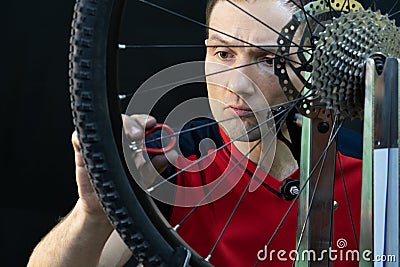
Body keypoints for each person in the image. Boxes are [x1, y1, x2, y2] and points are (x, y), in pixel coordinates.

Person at [28, 0, 363, 266]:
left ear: (317, 69)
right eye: (222, 53)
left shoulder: (371, 178)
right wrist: (94, 213)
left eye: (267, 59)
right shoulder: (171, 165)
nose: (237, 84)